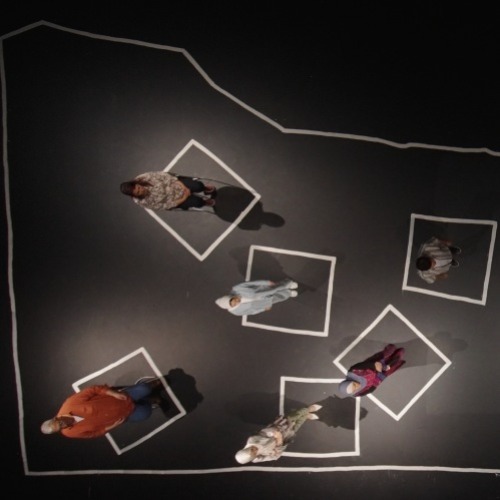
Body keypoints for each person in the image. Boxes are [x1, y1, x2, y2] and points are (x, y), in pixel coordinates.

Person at [40, 379, 163, 439]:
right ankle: (147, 402)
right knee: (146, 413)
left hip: (119, 398)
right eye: (61, 428)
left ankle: (141, 389)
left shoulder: (69, 404)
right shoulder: (69, 433)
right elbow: (93, 434)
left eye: (60, 423)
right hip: (123, 415)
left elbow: (93, 390)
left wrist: (113, 393)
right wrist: (112, 426)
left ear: (56, 418)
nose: (63, 425)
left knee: (146, 388)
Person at [234, 404, 322, 464]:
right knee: (298, 424)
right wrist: (279, 442)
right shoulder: (257, 459)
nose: (255, 450)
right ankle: (306, 416)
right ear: (252, 458)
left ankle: (309, 409)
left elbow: (268, 432)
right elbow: (276, 456)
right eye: (254, 453)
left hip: (280, 427)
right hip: (285, 438)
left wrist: (276, 435)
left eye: (251, 449)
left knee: (295, 415)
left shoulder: (252, 440)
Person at [120, 171, 217, 210]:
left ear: (136, 183)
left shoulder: (143, 177)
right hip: (177, 199)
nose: (141, 190)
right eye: (138, 192)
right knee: (198, 202)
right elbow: (165, 206)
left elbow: (165, 176)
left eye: (138, 187)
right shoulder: (142, 202)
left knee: (198, 186)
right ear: (134, 195)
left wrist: (183, 187)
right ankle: (204, 202)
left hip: (176, 184)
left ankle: (205, 189)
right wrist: (184, 197)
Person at [338, 344, 405, 397]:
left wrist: (375, 365)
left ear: (350, 381)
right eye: (354, 390)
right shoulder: (357, 393)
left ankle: (389, 351)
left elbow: (364, 365)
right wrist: (375, 384)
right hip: (377, 377)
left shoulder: (353, 371)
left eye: (354, 385)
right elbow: (368, 391)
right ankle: (397, 357)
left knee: (385, 356)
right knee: (390, 366)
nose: (357, 387)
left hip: (373, 365)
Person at [215, 279, 298, 316]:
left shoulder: (237, 288)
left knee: (276, 287)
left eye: (234, 299)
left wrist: (266, 282)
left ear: (230, 296)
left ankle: (288, 284)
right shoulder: (236, 312)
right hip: (262, 303)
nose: (237, 301)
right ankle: (288, 293)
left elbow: (252, 283)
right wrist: (263, 309)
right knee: (278, 297)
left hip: (262, 291)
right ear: (231, 307)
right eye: (234, 304)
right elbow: (251, 312)